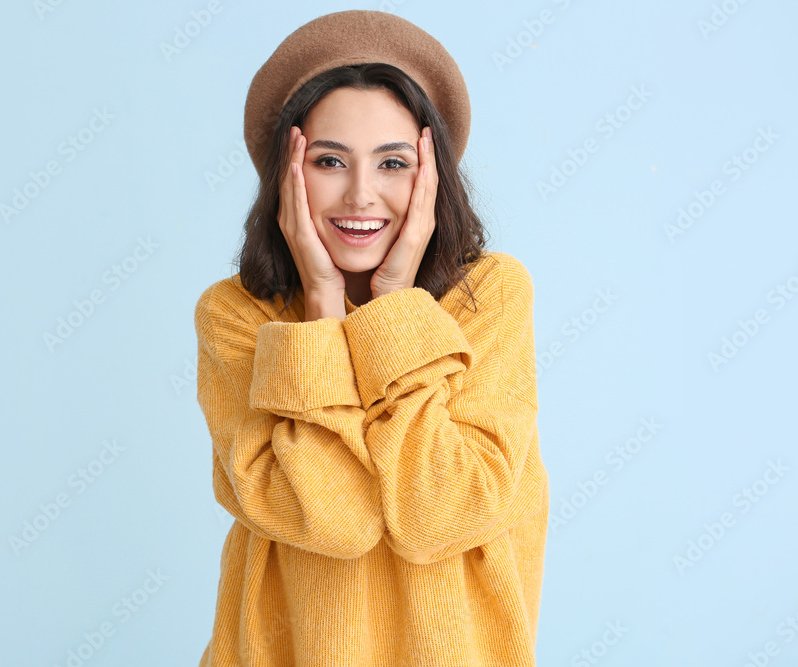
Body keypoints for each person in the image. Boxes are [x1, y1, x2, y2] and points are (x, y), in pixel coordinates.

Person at [194, 10, 548, 666]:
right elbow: (335, 521)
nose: (361, 195)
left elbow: (442, 514)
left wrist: (391, 309)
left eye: (393, 162)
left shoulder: (489, 296)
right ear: (288, 173)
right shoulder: (236, 314)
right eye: (330, 160)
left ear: (431, 175)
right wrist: (324, 313)